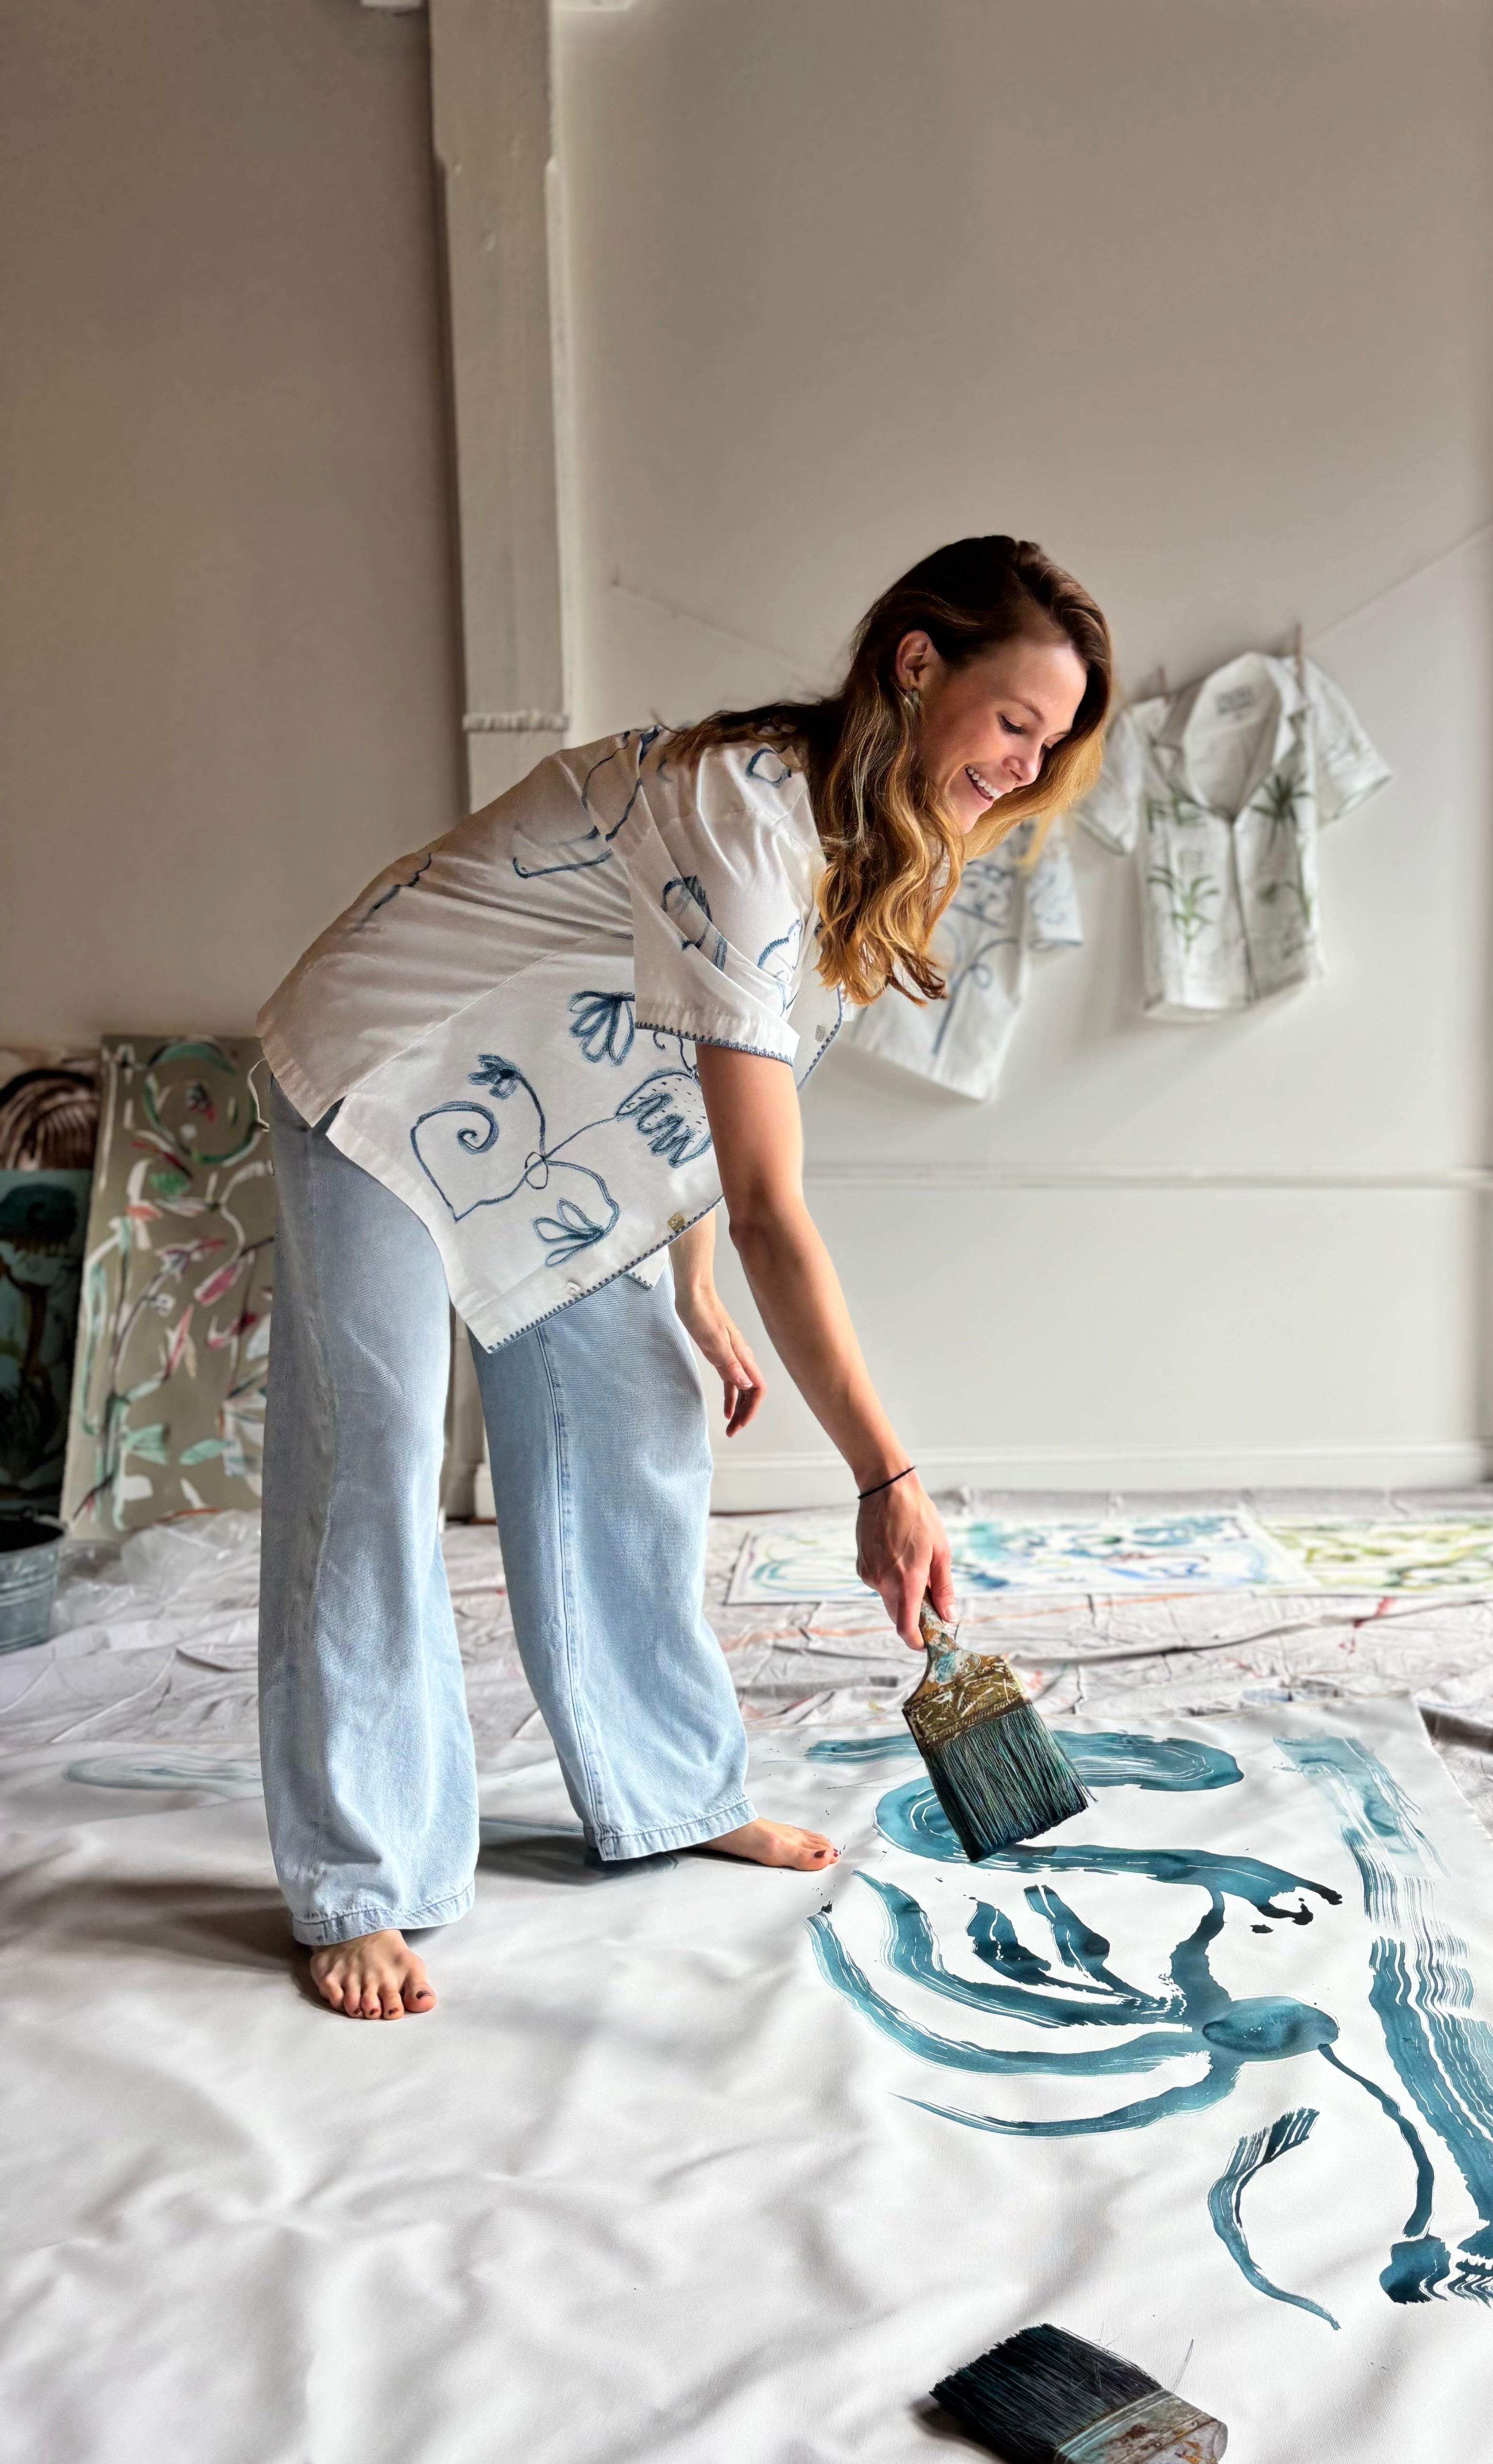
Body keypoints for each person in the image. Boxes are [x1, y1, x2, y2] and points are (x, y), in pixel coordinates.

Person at [256, 536, 1112, 2021]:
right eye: (1012, 721)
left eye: (1051, 742)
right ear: (917, 665)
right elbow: (779, 1200)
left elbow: (693, 1071)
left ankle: (663, 1793)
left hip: (551, 1120)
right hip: (385, 1084)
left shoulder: (868, 834)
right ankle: (363, 1882)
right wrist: (884, 1475)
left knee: (643, 1401)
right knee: (374, 1455)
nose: (1025, 768)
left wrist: (688, 1281)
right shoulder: (745, 811)